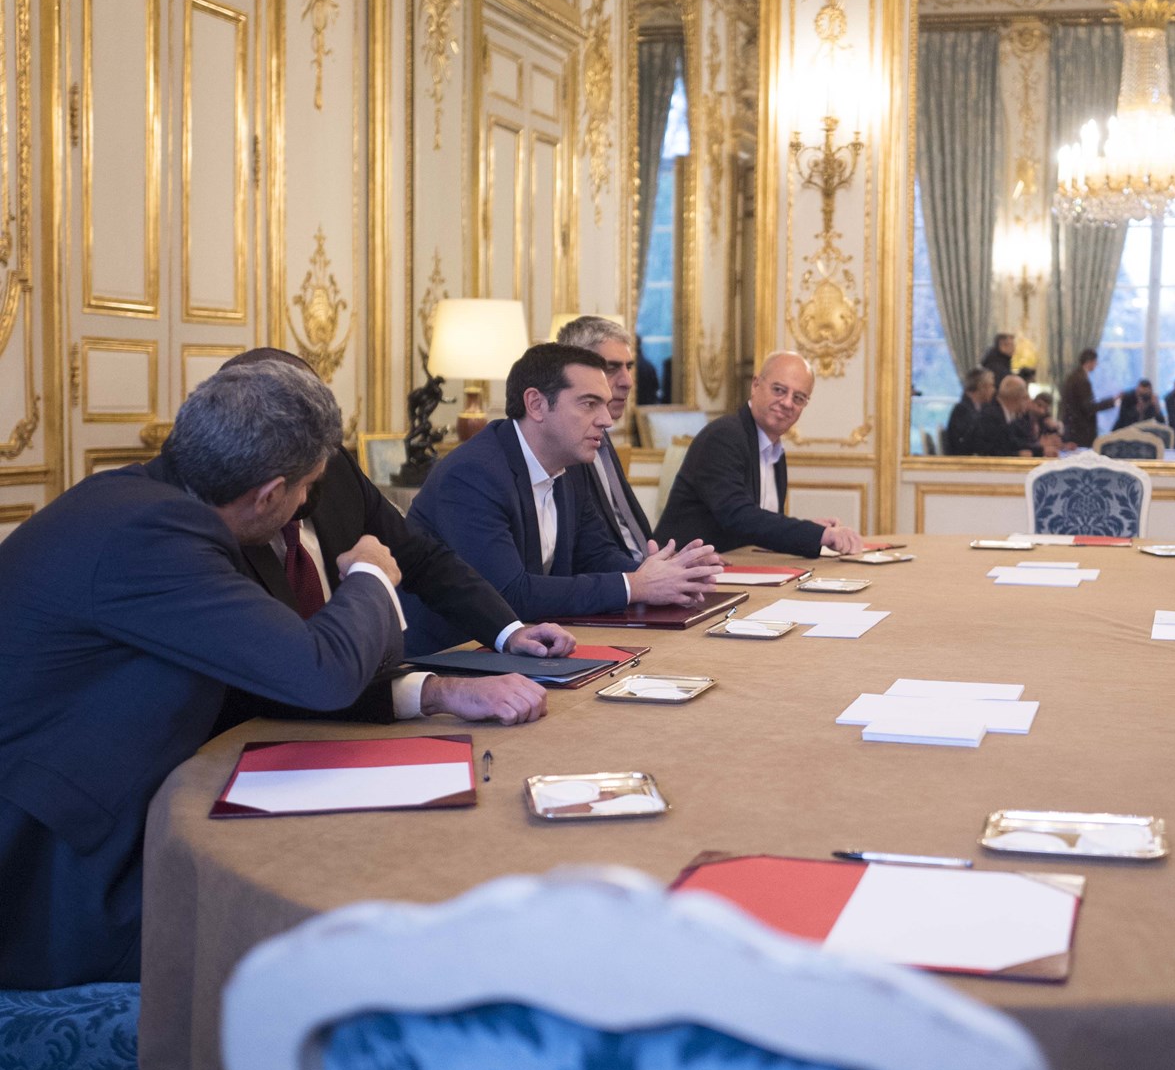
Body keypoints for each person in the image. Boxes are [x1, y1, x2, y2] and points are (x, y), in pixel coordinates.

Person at [0, 361, 404, 989]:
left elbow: (253, 676)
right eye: (306, 489)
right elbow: (319, 672)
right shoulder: (155, 536)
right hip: (54, 880)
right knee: (321, 934)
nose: (305, 505)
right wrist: (372, 575)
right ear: (269, 495)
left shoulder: (136, 501)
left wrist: (425, 692)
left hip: (97, 821)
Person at [218, 349, 559, 727]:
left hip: (357, 707)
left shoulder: (335, 467)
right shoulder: (211, 525)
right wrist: (438, 691)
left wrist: (509, 632)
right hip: (256, 727)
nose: (314, 481)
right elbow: (286, 675)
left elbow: (422, 558)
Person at [405, 343, 723, 653]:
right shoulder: (473, 473)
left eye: (605, 404)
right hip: (449, 657)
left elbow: (595, 555)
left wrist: (663, 575)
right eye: (589, 404)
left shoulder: (571, 467)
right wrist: (636, 585)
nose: (607, 420)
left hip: (534, 645)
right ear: (536, 404)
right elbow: (508, 593)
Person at [657, 350, 869, 556]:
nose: (787, 403)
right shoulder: (724, 436)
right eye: (779, 390)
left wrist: (811, 530)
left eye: (798, 398)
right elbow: (738, 516)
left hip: (737, 566)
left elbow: (762, 524)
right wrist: (818, 534)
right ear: (755, 385)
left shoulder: (775, 451)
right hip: (681, 567)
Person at [555, 315, 658, 554]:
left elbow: (627, 532)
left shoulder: (603, 435)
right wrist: (643, 572)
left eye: (628, 367)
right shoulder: (563, 447)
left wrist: (673, 561)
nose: (628, 381)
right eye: (611, 368)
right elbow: (586, 554)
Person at [1059, 348, 1121, 448]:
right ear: (1089, 362)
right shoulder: (1081, 380)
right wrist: (1112, 402)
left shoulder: (1073, 377)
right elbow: (1088, 407)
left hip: (1072, 427)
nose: (1096, 364)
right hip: (1080, 429)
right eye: (1095, 361)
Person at [945, 367, 996, 456]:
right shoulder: (962, 411)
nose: (994, 390)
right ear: (982, 387)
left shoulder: (980, 408)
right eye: (991, 385)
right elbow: (965, 444)